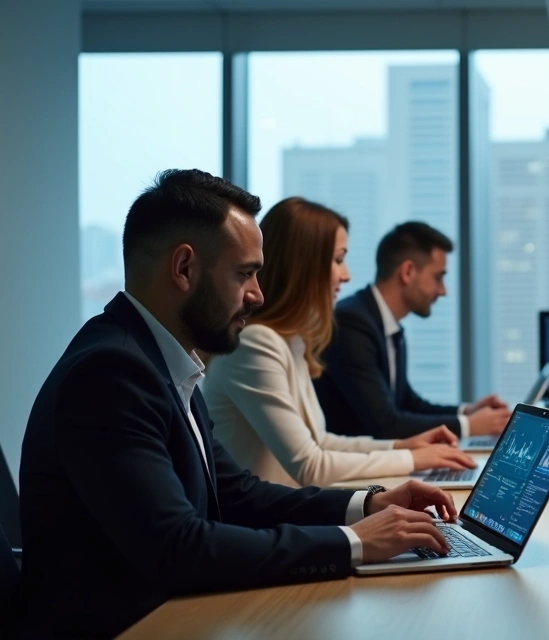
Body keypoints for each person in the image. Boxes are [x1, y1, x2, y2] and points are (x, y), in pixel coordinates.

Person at [20, 170, 462, 638]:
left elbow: (237, 494)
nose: (258, 294)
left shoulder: (163, 360)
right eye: (245, 273)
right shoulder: (112, 373)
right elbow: (179, 547)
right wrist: (352, 542)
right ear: (184, 269)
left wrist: (368, 506)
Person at [205, 198, 474, 488]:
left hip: (289, 515)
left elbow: (320, 442)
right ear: (304, 266)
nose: (346, 275)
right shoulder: (256, 344)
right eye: (337, 260)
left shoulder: (289, 341)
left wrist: (402, 447)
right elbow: (310, 465)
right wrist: (413, 459)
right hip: (261, 526)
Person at [315, 222, 510, 441]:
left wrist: (466, 412)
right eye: (438, 277)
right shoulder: (351, 323)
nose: (442, 291)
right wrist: (469, 426)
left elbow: (408, 403)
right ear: (408, 272)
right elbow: (386, 424)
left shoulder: (385, 326)